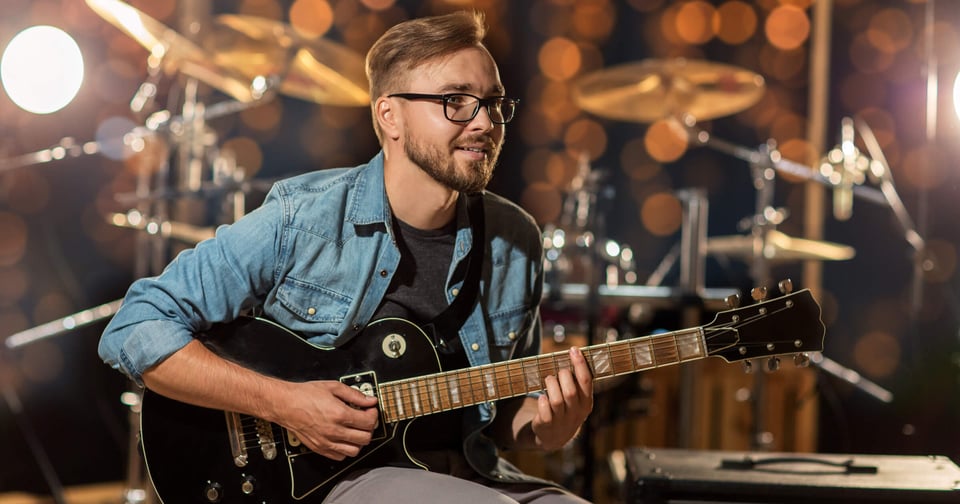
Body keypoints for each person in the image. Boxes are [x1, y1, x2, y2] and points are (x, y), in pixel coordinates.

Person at [99, 10, 594, 504]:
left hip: (471, 473)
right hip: (331, 483)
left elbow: (502, 418)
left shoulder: (515, 240)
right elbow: (135, 326)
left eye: (492, 103)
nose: (485, 122)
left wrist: (553, 426)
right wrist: (285, 403)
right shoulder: (304, 217)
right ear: (389, 115)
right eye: (456, 102)